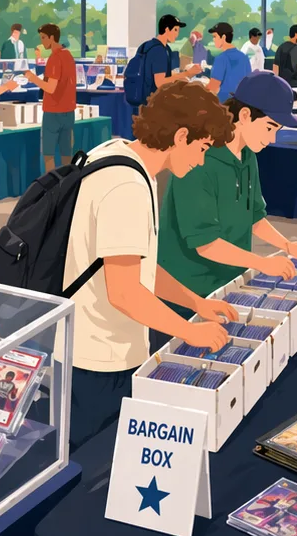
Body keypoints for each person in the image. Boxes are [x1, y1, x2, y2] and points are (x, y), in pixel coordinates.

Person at [61, 81, 242, 448]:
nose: (201, 160)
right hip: (99, 356)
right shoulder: (128, 187)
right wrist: (188, 332)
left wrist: (196, 304)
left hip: (90, 345)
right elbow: (125, 292)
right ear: (180, 136)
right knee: (91, 462)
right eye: (203, 147)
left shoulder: (116, 155)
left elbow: (137, 267)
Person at [158, 73, 297, 305]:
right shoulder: (199, 159)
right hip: (188, 293)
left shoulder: (248, 154)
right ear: (244, 115)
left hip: (231, 283)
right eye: (269, 128)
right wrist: (262, 263)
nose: (271, 139)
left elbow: (255, 217)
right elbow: (206, 244)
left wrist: (286, 245)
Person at [19, 23, 77, 171]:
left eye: (44, 38)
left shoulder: (54, 58)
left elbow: (51, 88)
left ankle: (51, 187)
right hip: (69, 111)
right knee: (66, 154)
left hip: (53, 112)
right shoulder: (68, 56)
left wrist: (32, 78)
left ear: (52, 38)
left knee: (48, 155)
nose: (42, 41)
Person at [135, 15, 203, 107]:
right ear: (167, 29)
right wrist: (187, 74)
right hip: (153, 102)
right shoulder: (159, 50)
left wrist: (183, 75)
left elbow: (162, 74)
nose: (177, 34)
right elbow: (160, 83)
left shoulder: (147, 46)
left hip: (142, 98)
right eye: (175, 30)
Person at [207, 22, 252, 103]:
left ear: (223, 37)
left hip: (223, 104)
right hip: (240, 104)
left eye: (215, 36)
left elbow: (213, 87)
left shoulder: (221, 59)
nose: (213, 39)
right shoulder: (244, 57)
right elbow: (248, 83)